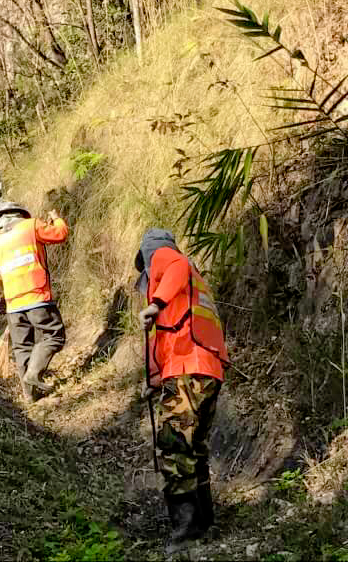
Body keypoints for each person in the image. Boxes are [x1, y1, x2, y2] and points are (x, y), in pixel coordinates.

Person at [134, 229, 228, 552]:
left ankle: (186, 530)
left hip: (187, 367)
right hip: (207, 371)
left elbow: (176, 264)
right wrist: (154, 381)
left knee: (175, 447)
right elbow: (164, 337)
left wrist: (156, 303)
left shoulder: (165, 257)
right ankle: (204, 520)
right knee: (194, 448)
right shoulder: (192, 287)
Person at [0, 201, 68, 403]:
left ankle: (29, 395)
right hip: (36, 296)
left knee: (22, 347)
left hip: (13, 303)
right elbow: (60, 234)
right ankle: (33, 372)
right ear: (20, 214)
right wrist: (56, 218)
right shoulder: (30, 225)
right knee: (54, 335)